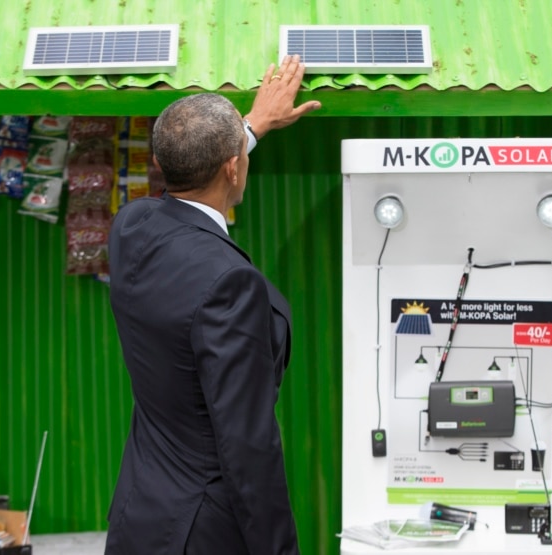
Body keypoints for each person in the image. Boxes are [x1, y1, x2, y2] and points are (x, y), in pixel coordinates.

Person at [105, 55, 320, 555]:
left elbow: (197, 171)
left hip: (141, 517)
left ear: (161, 163)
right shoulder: (230, 285)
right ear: (232, 166)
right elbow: (249, 448)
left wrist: (252, 126)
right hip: (202, 534)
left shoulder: (130, 227)